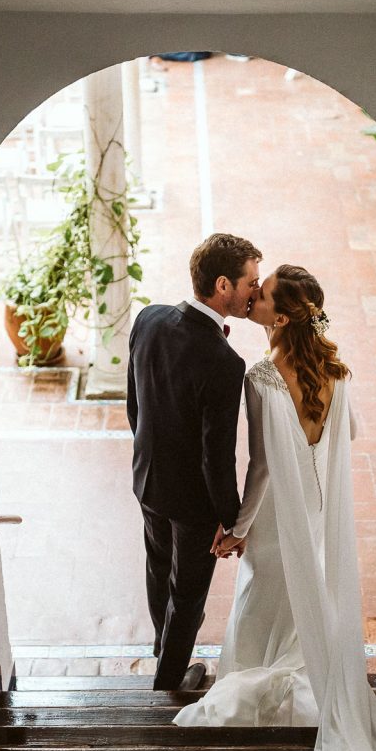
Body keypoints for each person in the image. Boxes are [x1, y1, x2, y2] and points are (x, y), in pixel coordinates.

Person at [173, 265, 376, 751]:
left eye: (259, 296)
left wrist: (237, 527)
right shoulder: (334, 370)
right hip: (316, 507)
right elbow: (346, 431)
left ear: (279, 316)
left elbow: (260, 468)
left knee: (261, 604)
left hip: (278, 514)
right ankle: (295, 692)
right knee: (300, 603)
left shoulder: (261, 375)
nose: (251, 299)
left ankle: (250, 696)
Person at [127, 233, 261, 691]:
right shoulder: (226, 363)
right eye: (251, 283)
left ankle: (164, 648)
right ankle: (168, 683)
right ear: (223, 285)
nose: (255, 293)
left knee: (157, 566)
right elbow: (216, 456)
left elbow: (135, 404)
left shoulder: (149, 319)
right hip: (193, 504)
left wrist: (148, 455)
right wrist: (230, 518)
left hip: (147, 479)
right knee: (187, 593)